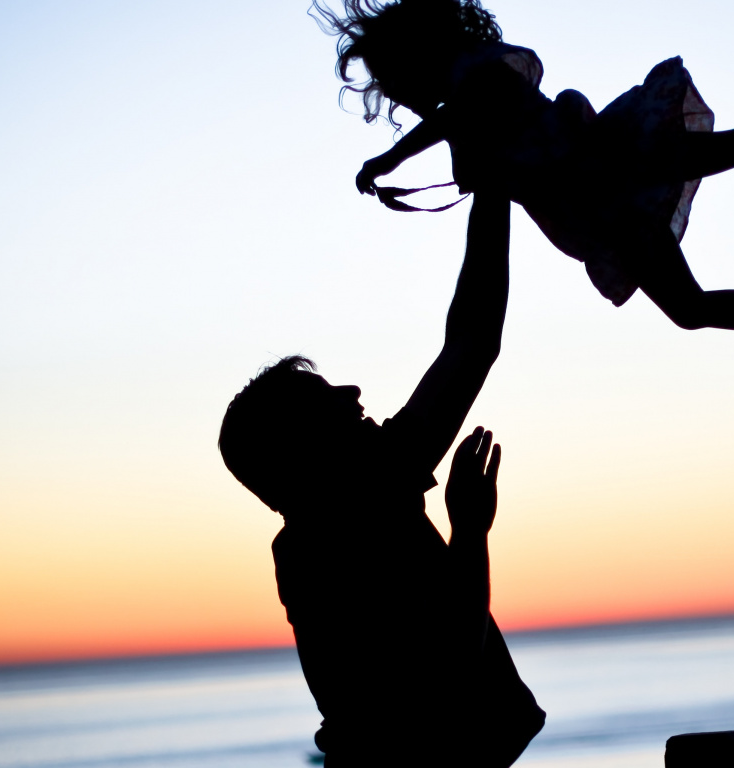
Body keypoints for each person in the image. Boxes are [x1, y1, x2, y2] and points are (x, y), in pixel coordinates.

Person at [312, 0, 734, 379]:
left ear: (414, 58)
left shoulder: (475, 77)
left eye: (390, 78)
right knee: (692, 307)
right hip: (602, 205)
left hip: (611, 167)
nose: (392, 93)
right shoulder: (467, 94)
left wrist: (392, 157)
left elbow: (463, 121)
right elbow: (476, 154)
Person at [218, 193, 544, 767]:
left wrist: (493, 191)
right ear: (308, 450)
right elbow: (448, 670)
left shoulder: (352, 499)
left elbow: (472, 344)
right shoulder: (341, 527)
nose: (354, 393)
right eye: (328, 402)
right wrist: (470, 531)